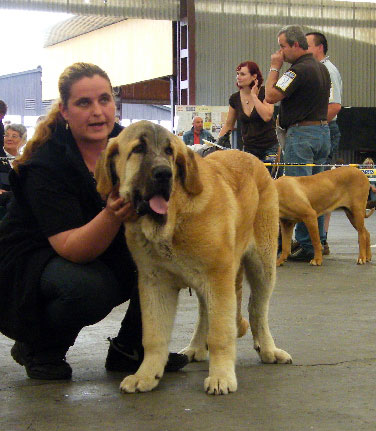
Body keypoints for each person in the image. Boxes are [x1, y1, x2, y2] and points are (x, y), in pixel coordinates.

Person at [0, 62, 188, 380]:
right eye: (84, 103)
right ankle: (40, 346)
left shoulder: (130, 142)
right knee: (87, 290)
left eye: (104, 100)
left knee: (170, 257)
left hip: (100, 246)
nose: (97, 112)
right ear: (64, 111)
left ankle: (131, 349)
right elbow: (72, 248)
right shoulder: (45, 163)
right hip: (33, 261)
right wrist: (113, 214)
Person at [266, 24, 331, 262]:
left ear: (295, 45)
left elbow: (271, 95)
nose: (280, 52)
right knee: (318, 193)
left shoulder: (296, 71)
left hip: (301, 136)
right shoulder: (321, 69)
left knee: (298, 193)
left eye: (282, 47)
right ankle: (319, 242)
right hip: (323, 133)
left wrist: (275, 67)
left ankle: (305, 245)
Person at [306, 31, 343, 256]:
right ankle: (316, 238)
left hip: (325, 129)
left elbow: (335, 106)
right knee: (314, 187)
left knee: (321, 189)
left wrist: (315, 126)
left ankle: (322, 239)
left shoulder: (328, 70)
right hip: (321, 129)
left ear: (319, 48)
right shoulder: (315, 70)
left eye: (307, 45)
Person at [217, 61, 278, 162]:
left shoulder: (265, 92)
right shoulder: (234, 98)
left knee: (269, 176)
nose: (238, 77)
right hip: (249, 149)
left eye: (242, 74)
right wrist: (217, 143)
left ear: (254, 76)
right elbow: (228, 125)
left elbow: (267, 116)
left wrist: (254, 96)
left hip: (269, 147)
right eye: (237, 74)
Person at [1, 123, 27, 192]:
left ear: (23, 141)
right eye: (6, 135)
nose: (9, 139)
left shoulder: (26, 160)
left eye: (14, 136)